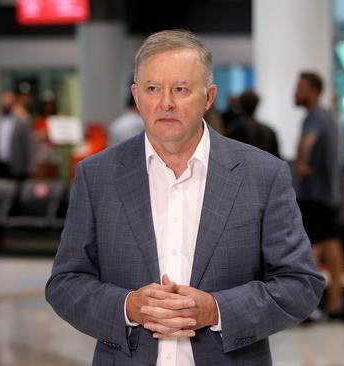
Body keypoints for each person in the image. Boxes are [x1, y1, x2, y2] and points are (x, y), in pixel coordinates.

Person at [45, 30, 325, 365]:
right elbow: (65, 283)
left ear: (209, 97)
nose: (166, 103)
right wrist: (128, 307)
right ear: (136, 96)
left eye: (180, 89)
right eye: (152, 89)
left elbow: (300, 285)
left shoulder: (263, 175)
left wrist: (217, 310)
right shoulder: (97, 176)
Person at [294, 71, 344, 319]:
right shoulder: (328, 116)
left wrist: (301, 165)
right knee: (332, 245)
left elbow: (307, 142)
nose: (295, 91)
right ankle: (334, 302)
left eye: (300, 87)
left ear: (313, 90)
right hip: (329, 194)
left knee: (310, 249)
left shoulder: (313, 116)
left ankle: (309, 307)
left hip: (314, 194)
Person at [0, 90, 33, 180]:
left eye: (9, 102)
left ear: (14, 103)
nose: (7, 104)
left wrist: (29, 167)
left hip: (16, 164)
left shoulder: (22, 121)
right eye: (4, 101)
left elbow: (28, 145)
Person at [226, 90, 280, 158]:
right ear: (256, 105)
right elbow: (276, 159)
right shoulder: (269, 131)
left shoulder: (234, 129)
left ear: (240, 104)